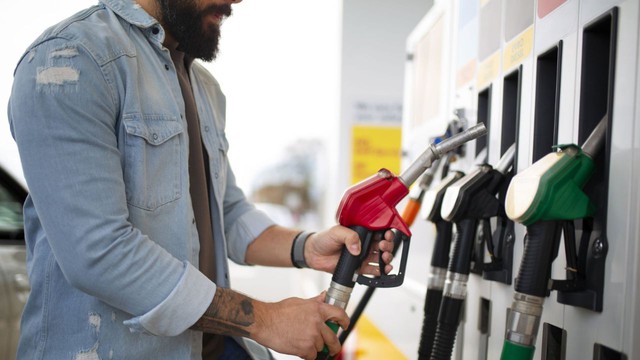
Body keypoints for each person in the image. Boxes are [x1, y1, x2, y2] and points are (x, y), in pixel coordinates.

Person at [7, 0, 395, 359]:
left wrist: (307, 247)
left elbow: (226, 212)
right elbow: (98, 251)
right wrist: (264, 319)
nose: (238, 0)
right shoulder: (71, 59)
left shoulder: (204, 87)